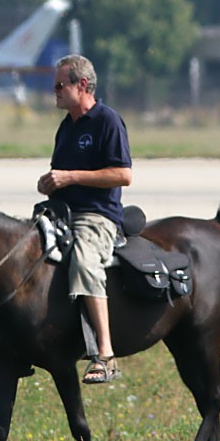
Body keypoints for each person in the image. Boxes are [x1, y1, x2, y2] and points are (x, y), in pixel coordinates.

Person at [37, 54, 133, 384]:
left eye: (60, 85)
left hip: (97, 217)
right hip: (62, 213)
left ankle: (105, 354)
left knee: (83, 259)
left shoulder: (108, 121)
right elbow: (62, 176)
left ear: (81, 85)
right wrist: (49, 183)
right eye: (54, 86)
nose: (55, 91)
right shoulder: (66, 128)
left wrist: (70, 177)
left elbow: (123, 174)